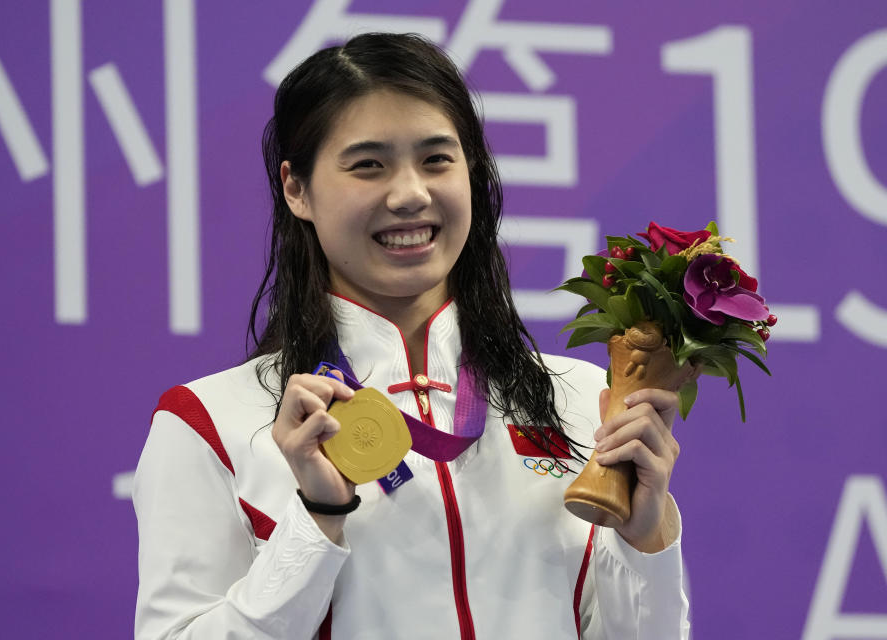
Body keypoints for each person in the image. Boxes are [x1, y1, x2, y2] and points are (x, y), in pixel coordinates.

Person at [132, 32, 689, 639]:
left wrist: (643, 543)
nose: (411, 195)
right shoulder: (212, 422)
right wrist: (317, 518)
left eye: (436, 159)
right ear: (296, 188)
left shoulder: (583, 402)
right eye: (368, 165)